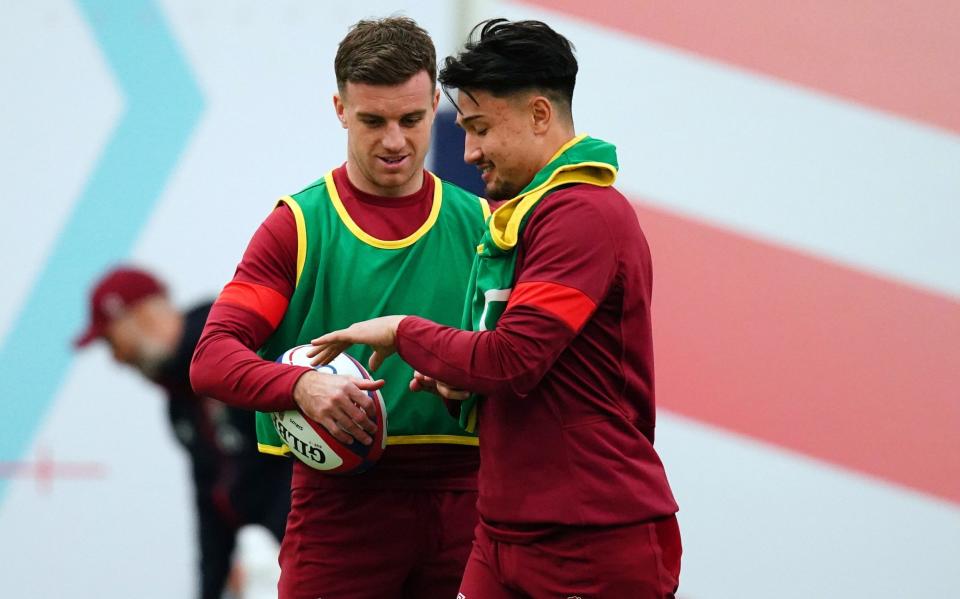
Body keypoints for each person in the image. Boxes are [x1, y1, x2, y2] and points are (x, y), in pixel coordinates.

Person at [311, 18, 682, 598]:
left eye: (480, 129)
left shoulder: (583, 215)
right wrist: (464, 388)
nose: (469, 151)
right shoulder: (529, 214)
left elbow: (512, 360)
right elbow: (524, 373)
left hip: (591, 536)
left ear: (540, 115)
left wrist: (401, 330)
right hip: (504, 530)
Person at [189, 17, 488, 599]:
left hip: (468, 500)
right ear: (340, 109)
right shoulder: (298, 228)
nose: (395, 141)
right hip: (338, 506)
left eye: (412, 119)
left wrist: (473, 384)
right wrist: (298, 387)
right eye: (373, 121)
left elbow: (524, 361)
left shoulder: (482, 225)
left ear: (435, 105)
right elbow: (211, 359)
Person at [74, 266, 292, 599]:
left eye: (111, 340)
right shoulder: (180, 404)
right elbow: (212, 507)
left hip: (331, 543)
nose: (116, 359)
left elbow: (299, 453)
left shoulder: (237, 342)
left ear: (142, 317)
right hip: (297, 557)